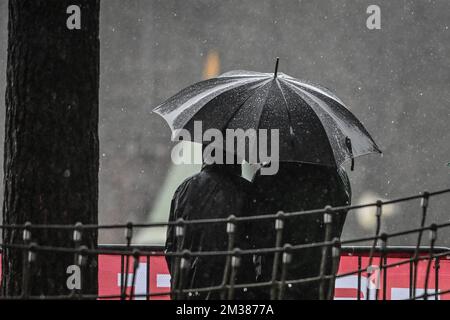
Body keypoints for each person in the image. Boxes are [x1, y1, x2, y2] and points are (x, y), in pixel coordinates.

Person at [248, 162, 351, 300]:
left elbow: (257, 231)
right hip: (321, 277)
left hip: (278, 280)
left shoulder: (269, 174)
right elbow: (339, 221)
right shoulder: (338, 176)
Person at [165, 149, 253, 300]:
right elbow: (258, 243)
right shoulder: (247, 191)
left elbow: (171, 246)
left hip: (190, 288)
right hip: (235, 288)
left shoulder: (184, 189)